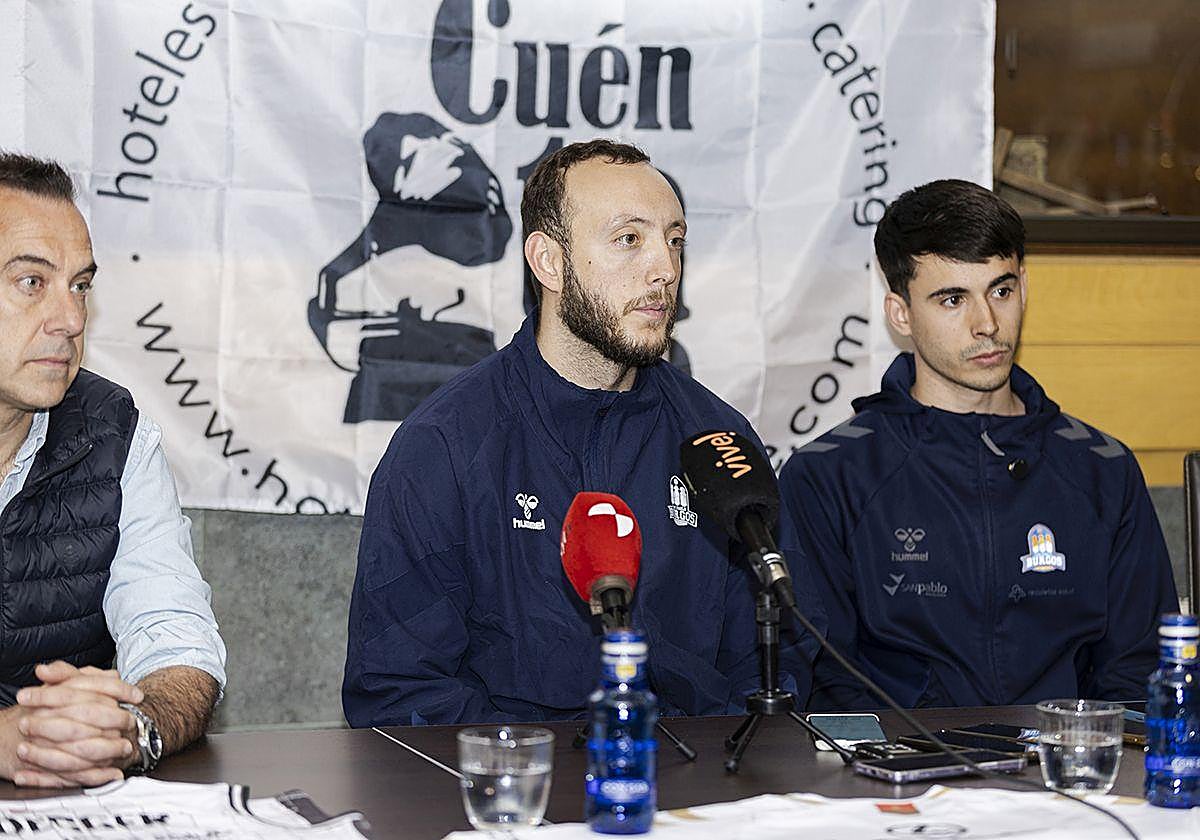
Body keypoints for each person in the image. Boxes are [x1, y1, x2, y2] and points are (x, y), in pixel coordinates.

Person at [343, 140, 820, 725]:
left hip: (695, 771)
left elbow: (774, 659)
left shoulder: (716, 439)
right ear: (549, 261)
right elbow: (399, 689)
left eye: (675, 241)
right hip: (513, 775)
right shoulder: (444, 446)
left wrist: (713, 759)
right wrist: (533, 765)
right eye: (629, 239)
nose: (665, 269)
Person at [780, 179, 1178, 710]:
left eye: (1001, 291)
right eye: (953, 300)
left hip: (1066, 757)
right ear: (900, 313)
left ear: (1024, 287)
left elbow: (1140, 674)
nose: (987, 324)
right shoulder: (828, 477)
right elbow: (828, 684)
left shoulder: (1102, 469)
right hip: (900, 760)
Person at [0, 153, 226, 785]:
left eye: (80, 286)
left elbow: (177, 641)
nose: (72, 320)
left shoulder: (113, 432)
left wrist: (129, 729)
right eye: (31, 282)